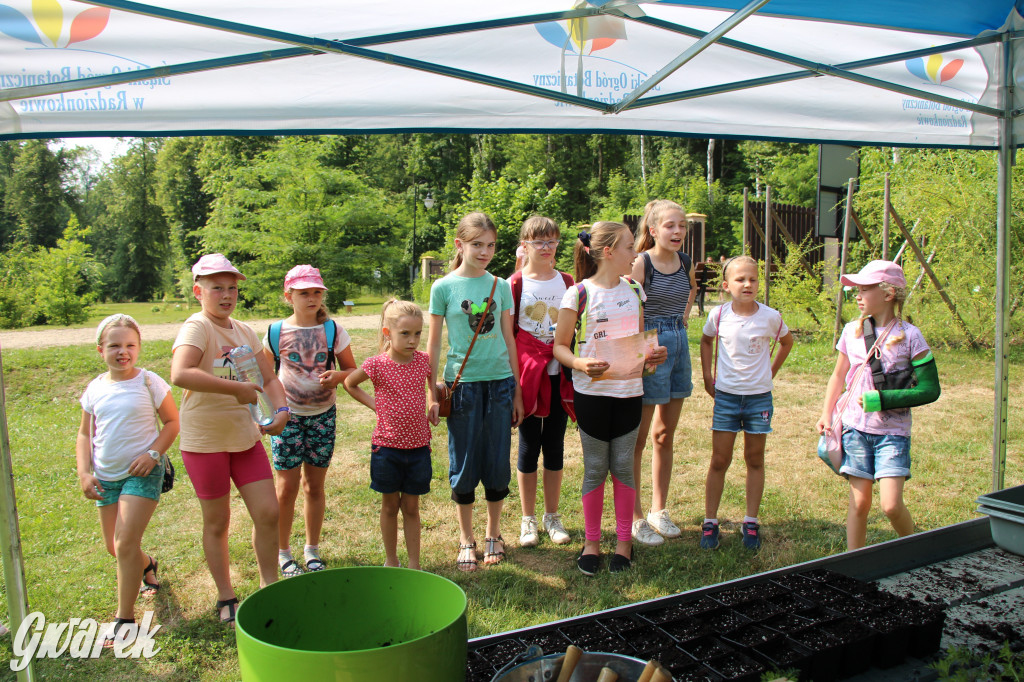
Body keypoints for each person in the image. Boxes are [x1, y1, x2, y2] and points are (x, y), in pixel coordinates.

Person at [170, 254, 290, 625]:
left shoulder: (244, 331)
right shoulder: (198, 327)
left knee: (268, 512)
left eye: (232, 288)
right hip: (205, 441)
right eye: (217, 288)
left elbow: (269, 379)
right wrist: (235, 389)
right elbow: (180, 373)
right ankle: (226, 595)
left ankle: (269, 586)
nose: (226, 295)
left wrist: (282, 410)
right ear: (198, 292)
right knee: (217, 522)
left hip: (245, 438)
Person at [552, 222, 667, 575]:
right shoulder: (578, 294)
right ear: (608, 252)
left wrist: (653, 356)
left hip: (629, 393)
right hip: (592, 395)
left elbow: (641, 343)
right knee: (595, 468)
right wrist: (580, 363)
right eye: (630, 247)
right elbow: (559, 347)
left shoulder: (634, 289)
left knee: (622, 466)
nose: (636, 253)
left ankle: (623, 543)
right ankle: (591, 543)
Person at [816, 260, 940, 550]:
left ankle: (915, 548)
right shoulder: (852, 331)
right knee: (859, 503)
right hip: (855, 428)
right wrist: (826, 413)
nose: (857, 296)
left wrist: (884, 400)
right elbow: (838, 375)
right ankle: (853, 561)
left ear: (888, 293)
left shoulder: (911, 336)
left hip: (893, 433)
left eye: (864, 290)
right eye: (856, 290)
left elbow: (930, 389)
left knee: (891, 505)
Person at [428, 212, 524, 571]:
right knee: (465, 461)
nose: (485, 251)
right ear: (460, 245)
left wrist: (516, 390)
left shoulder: (500, 286)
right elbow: (433, 344)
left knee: (498, 460)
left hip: (500, 384)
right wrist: (431, 392)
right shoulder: (443, 288)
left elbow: (509, 339)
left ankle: (493, 534)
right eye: (477, 244)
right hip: (462, 386)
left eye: (491, 245)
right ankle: (466, 537)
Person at [76, 314, 180, 645]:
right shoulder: (95, 388)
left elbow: (172, 423)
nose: (123, 352)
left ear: (139, 347)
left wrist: (152, 454)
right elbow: (84, 434)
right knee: (116, 547)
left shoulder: (149, 382)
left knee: (123, 544)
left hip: (143, 473)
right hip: (106, 477)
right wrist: (84, 472)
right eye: (114, 346)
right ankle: (148, 565)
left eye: (130, 345)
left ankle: (124, 621)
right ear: (100, 350)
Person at [263, 265, 356, 577]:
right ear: (288, 296)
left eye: (317, 292)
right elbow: (265, 378)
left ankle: (311, 549)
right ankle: (283, 552)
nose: (312, 298)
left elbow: (352, 371)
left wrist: (338, 376)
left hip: (322, 418)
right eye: (304, 293)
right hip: (287, 418)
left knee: (314, 486)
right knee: (286, 488)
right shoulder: (275, 332)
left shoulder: (333, 331)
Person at [699, 255, 793, 551]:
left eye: (753, 279)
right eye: (740, 279)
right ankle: (710, 521)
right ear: (726, 285)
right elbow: (706, 340)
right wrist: (707, 376)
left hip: (758, 400)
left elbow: (787, 342)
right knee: (719, 460)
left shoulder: (770, 316)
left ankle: (751, 521)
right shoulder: (718, 315)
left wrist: (770, 371)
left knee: (754, 459)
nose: (747, 284)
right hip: (726, 398)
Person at [344, 299, 439, 569]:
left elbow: (431, 386)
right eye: (405, 333)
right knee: (389, 506)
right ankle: (391, 560)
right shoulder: (376, 364)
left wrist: (433, 402)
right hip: (386, 449)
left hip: (418, 448)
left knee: (411, 508)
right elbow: (350, 383)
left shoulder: (423, 361)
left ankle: (414, 564)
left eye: (417, 333)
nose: (413, 340)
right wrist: (375, 405)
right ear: (388, 333)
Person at [629, 200, 697, 547]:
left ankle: (659, 510)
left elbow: (692, 289)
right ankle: (635, 516)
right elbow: (628, 305)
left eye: (682, 225)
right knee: (638, 439)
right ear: (653, 230)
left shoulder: (685, 262)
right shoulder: (642, 263)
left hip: (679, 344)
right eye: (670, 225)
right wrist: (644, 347)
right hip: (650, 345)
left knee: (665, 434)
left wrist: (681, 319)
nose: (678, 231)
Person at [508, 216, 575, 548]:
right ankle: (528, 519)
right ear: (525, 245)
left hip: (559, 374)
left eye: (552, 241)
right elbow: (509, 335)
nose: (546, 247)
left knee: (555, 445)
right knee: (528, 445)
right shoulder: (515, 283)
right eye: (539, 242)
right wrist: (514, 387)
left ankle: (552, 516)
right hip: (528, 375)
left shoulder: (568, 282)